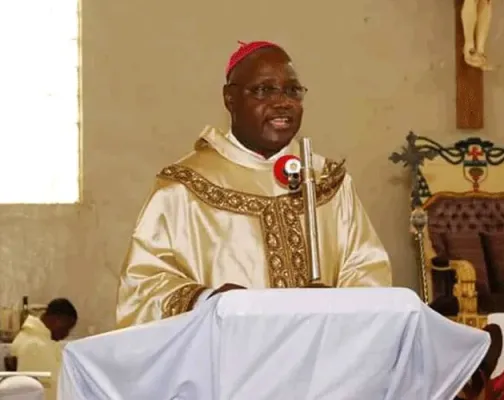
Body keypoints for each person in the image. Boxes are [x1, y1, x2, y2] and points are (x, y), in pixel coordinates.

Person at [116, 40, 392, 328]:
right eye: (263, 90)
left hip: (322, 363)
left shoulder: (329, 183)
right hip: (227, 364)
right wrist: (208, 301)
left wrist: (334, 306)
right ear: (230, 99)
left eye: (292, 91)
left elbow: (369, 272)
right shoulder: (181, 189)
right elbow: (142, 288)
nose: (282, 102)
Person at [11, 298, 78, 400]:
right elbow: (53, 388)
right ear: (56, 319)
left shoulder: (38, 339)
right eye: (66, 327)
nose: (66, 334)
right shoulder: (34, 346)